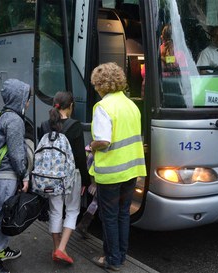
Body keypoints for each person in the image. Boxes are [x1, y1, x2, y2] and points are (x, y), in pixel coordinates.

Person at [89, 62, 147, 271]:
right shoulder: (131, 105)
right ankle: (121, 254)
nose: (95, 88)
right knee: (123, 214)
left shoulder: (103, 107)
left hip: (112, 174)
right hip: (131, 171)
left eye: (96, 84)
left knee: (109, 217)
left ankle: (112, 259)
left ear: (101, 85)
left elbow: (103, 141)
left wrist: (91, 146)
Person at [0, 79, 31, 273]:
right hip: (7, 173)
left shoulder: (4, 115)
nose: (27, 103)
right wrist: (24, 176)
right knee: (2, 212)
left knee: (5, 211)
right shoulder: (14, 120)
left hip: (1, 171)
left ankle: (0, 248)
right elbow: (17, 153)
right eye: (26, 98)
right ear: (18, 98)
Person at [38, 91, 90, 264]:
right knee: (73, 210)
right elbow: (80, 157)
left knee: (55, 211)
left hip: (50, 177)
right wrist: (85, 178)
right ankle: (62, 249)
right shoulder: (74, 126)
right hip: (71, 176)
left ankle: (56, 247)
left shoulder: (45, 125)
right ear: (71, 106)